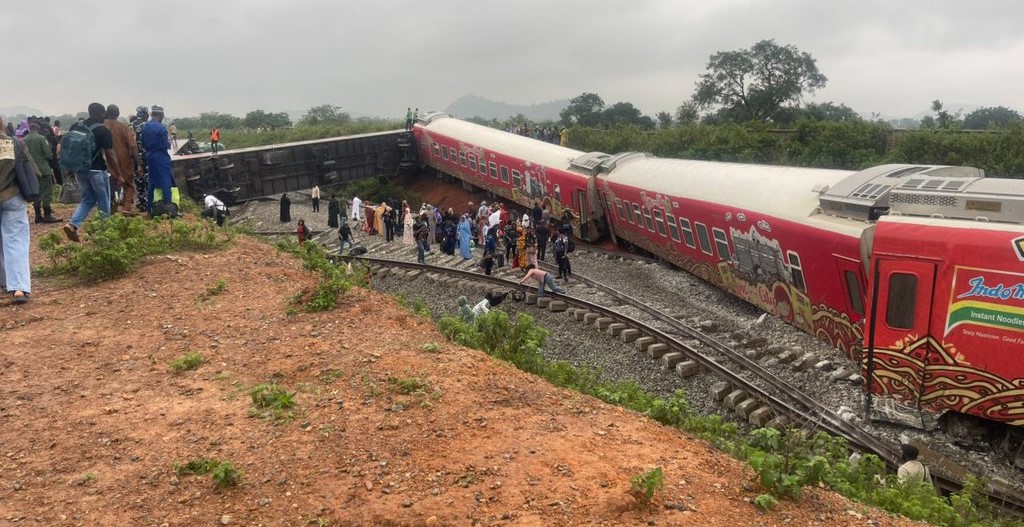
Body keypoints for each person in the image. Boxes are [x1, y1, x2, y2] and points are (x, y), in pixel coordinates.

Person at [63, 103, 124, 242]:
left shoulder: (76, 127)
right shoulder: (103, 130)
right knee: (104, 201)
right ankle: (103, 234)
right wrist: (118, 174)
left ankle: (72, 225)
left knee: (87, 199)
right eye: (104, 114)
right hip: (97, 170)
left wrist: (69, 168)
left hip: (79, 170)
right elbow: (110, 154)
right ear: (101, 114)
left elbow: (68, 148)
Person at [0, 118, 32, 304]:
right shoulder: (15, 143)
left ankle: (4, 281)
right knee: (15, 240)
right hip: (12, 197)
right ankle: (18, 288)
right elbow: (30, 169)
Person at [104, 105, 143, 215]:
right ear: (118, 113)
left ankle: (110, 210)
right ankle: (126, 208)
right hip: (124, 160)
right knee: (128, 185)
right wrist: (139, 163)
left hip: (107, 161)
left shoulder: (102, 126)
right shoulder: (124, 127)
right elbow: (133, 146)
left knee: (110, 185)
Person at [23, 122, 61, 223]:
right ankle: (47, 214)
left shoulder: (24, 140)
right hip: (44, 169)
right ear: (38, 129)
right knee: (46, 192)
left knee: (36, 192)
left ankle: (37, 215)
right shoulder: (41, 138)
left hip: (31, 170)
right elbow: (48, 154)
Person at [141, 105, 173, 216]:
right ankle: (169, 208)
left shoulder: (145, 127)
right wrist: (169, 143)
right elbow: (165, 145)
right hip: (161, 156)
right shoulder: (161, 128)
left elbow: (143, 143)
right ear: (161, 115)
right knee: (166, 182)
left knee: (152, 182)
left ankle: (149, 209)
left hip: (150, 156)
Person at [130, 107, 150, 213]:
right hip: (145, 158)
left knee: (138, 182)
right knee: (148, 181)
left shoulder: (129, 126)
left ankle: (141, 204)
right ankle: (150, 204)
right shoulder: (146, 125)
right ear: (146, 115)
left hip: (134, 158)